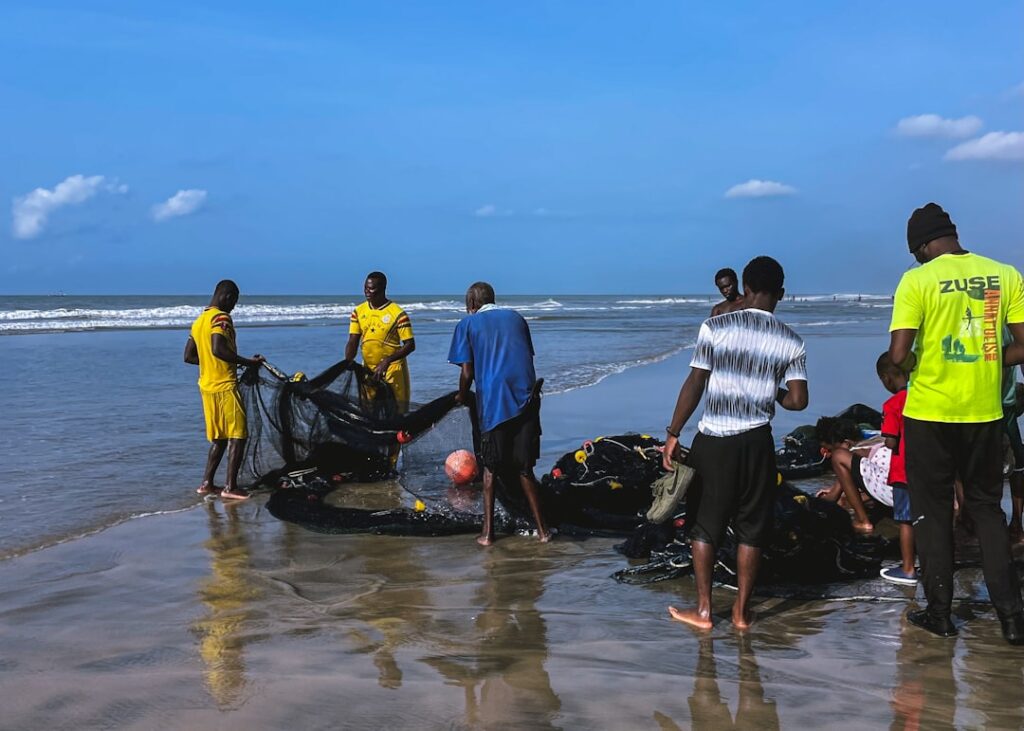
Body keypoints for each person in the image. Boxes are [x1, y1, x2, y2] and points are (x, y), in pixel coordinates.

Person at [888, 202, 1024, 644]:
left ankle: (940, 614)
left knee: (932, 513)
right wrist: (986, 361)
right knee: (987, 510)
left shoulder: (917, 280)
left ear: (923, 246)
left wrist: (917, 363)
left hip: (929, 415)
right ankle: (1011, 617)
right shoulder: (1005, 275)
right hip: (985, 413)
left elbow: (897, 356)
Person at [663, 256, 808, 630]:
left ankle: (706, 611)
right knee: (751, 529)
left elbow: (695, 382)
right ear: (781, 294)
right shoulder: (791, 340)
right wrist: (771, 389)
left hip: (715, 440)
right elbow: (798, 401)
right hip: (758, 442)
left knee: (704, 526)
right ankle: (742, 613)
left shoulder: (715, 327)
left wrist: (674, 432)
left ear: (745, 288)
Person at [447, 281, 550, 546]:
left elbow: (467, 372)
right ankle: (543, 532)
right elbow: (526, 357)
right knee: (525, 469)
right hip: (527, 400)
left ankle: (488, 533)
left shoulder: (467, 324)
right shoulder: (517, 318)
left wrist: (460, 396)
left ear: (471, 305)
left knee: (490, 469)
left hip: (494, 404)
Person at [184, 280, 265, 500]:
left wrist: (212, 361)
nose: (234, 307)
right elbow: (218, 348)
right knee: (238, 435)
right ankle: (231, 487)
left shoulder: (200, 320)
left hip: (206, 388)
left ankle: (207, 484)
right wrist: (248, 362)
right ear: (227, 296)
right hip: (225, 386)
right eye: (235, 302)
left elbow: (189, 356)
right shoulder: (221, 318)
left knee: (219, 438)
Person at [345, 271, 416, 410]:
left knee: (397, 412)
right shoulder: (358, 311)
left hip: (392, 371)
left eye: (371, 288)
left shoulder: (397, 314)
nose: (367, 292)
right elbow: (353, 340)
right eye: (365, 288)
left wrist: (387, 361)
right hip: (368, 371)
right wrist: (348, 360)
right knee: (369, 411)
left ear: (382, 289)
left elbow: (410, 345)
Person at [876, 352, 918, 585]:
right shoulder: (923, 397)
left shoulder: (892, 404)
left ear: (887, 378)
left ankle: (908, 568)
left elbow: (891, 441)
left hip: (904, 471)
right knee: (931, 518)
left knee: (906, 521)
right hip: (929, 468)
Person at [814, 417, 879, 535]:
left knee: (843, 501)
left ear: (846, 443)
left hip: (892, 490)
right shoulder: (873, 440)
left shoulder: (854, 451)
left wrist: (813, 503)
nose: (828, 455)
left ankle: (863, 521)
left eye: (830, 450)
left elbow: (833, 498)